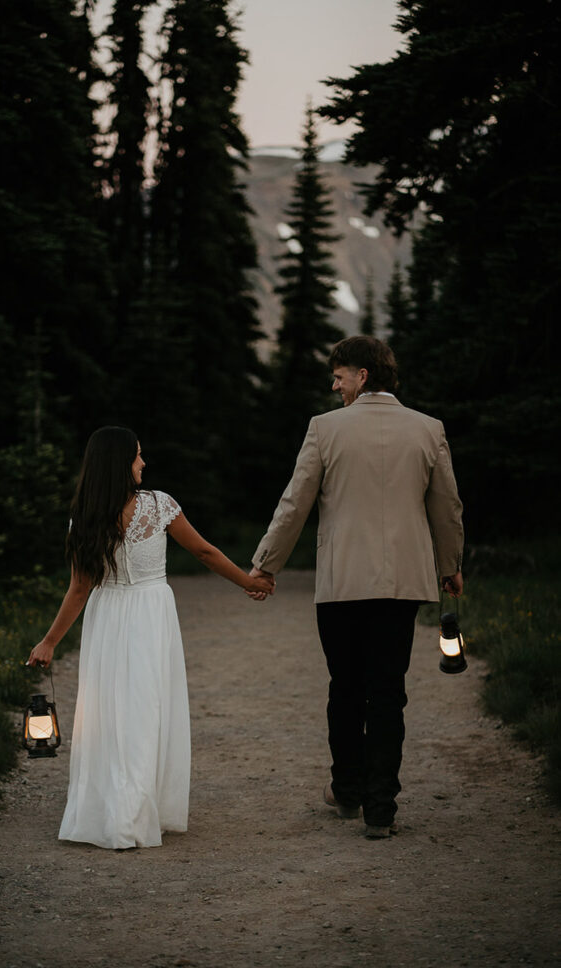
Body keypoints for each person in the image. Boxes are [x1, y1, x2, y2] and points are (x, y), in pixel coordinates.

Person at [247, 336, 463, 838]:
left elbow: (293, 504)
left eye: (339, 375)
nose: (334, 384)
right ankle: (381, 808)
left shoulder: (325, 429)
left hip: (342, 582)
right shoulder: (429, 430)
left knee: (345, 687)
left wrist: (265, 565)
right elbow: (447, 507)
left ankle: (347, 788)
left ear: (363, 375)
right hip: (403, 585)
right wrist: (450, 565)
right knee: (388, 691)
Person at [27, 426, 272, 849]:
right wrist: (248, 581)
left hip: (107, 616)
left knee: (111, 713)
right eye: (138, 456)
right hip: (149, 614)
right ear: (121, 463)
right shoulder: (160, 506)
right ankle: (132, 816)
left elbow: (80, 588)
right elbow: (204, 552)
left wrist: (50, 641)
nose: (144, 463)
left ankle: (112, 810)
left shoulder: (82, 517)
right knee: (146, 710)